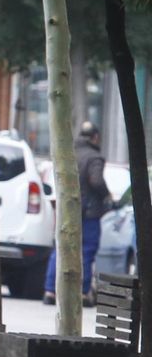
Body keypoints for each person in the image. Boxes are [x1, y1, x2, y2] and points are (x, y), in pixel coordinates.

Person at [45, 121, 114, 307]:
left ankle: (50, 291)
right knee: (86, 250)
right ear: (95, 137)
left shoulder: (68, 153)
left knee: (61, 248)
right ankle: (82, 293)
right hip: (89, 213)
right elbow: (97, 181)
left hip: (67, 210)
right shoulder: (94, 157)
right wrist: (107, 195)